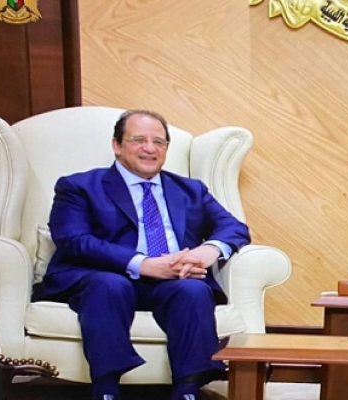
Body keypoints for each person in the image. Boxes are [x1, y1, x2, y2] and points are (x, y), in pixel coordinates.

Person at [36, 110, 251, 400]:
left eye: (158, 142)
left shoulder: (190, 189)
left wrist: (207, 251)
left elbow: (234, 227)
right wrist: (143, 264)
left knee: (193, 290)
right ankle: (106, 389)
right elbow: (73, 239)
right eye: (139, 140)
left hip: (173, 280)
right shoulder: (79, 187)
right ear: (117, 145)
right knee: (110, 285)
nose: (150, 148)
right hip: (105, 277)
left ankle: (188, 390)